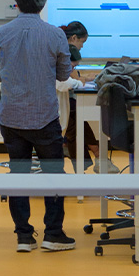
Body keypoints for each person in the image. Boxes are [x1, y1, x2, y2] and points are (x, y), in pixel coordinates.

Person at [0, 0, 74, 253]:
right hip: (45, 117)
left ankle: (24, 237)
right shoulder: (55, 34)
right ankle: (53, 234)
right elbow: (63, 75)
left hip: (11, 118)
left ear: (16, 2)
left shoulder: (0, 35)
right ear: (44, 1)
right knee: (54, 173)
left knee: (18, 172)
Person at [59, 20, 101, 170]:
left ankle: (93, 157)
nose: (82, 46)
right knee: (76, 118)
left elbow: (72, 78)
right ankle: (97, 153)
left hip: (62, 100)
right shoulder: (62, 52)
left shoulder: (63, 49)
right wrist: (81, 79)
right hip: (55, 102)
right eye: (82, 42)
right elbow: (69, 80)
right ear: (74, 38)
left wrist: (82, 78)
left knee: (76, 120)